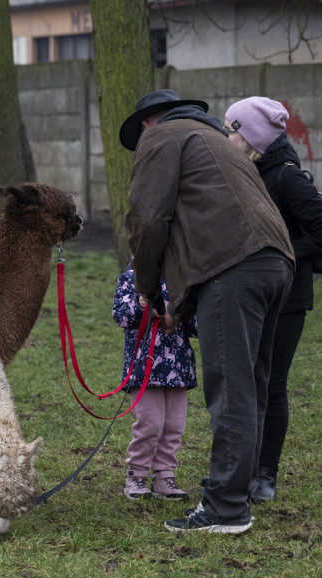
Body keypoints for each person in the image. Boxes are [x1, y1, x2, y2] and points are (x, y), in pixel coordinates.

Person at [119, 89, 294, 534]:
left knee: (231, 389)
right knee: (253, 383)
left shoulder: (162, 138)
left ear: (145, 124)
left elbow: (148, 218)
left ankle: (226, 508)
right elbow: (214, 215)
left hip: (233, 267)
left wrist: (147, 290)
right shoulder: (216, 140)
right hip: (276, 263)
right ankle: (238, 490)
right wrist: (181, 303)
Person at [224, 96, 322, 504]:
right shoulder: (244, 171)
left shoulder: (288, 178)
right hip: (252, 295)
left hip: (287, 299)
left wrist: (279, 251)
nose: (226, 135)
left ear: (251, 135)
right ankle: (246, 466)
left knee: (272, 385)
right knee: (249, 382)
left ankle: (266, 474)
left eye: (232, 128)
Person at [113, 264, 197, 501]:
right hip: (143, 368)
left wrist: (185, 316)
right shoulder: (132, 277)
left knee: (174, 425)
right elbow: (120, 315)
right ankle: (136, 474)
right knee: (150, 424)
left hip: (178, 369)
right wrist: (142, 307)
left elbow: (193, 320)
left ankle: (164, 476)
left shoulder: (182, 277)